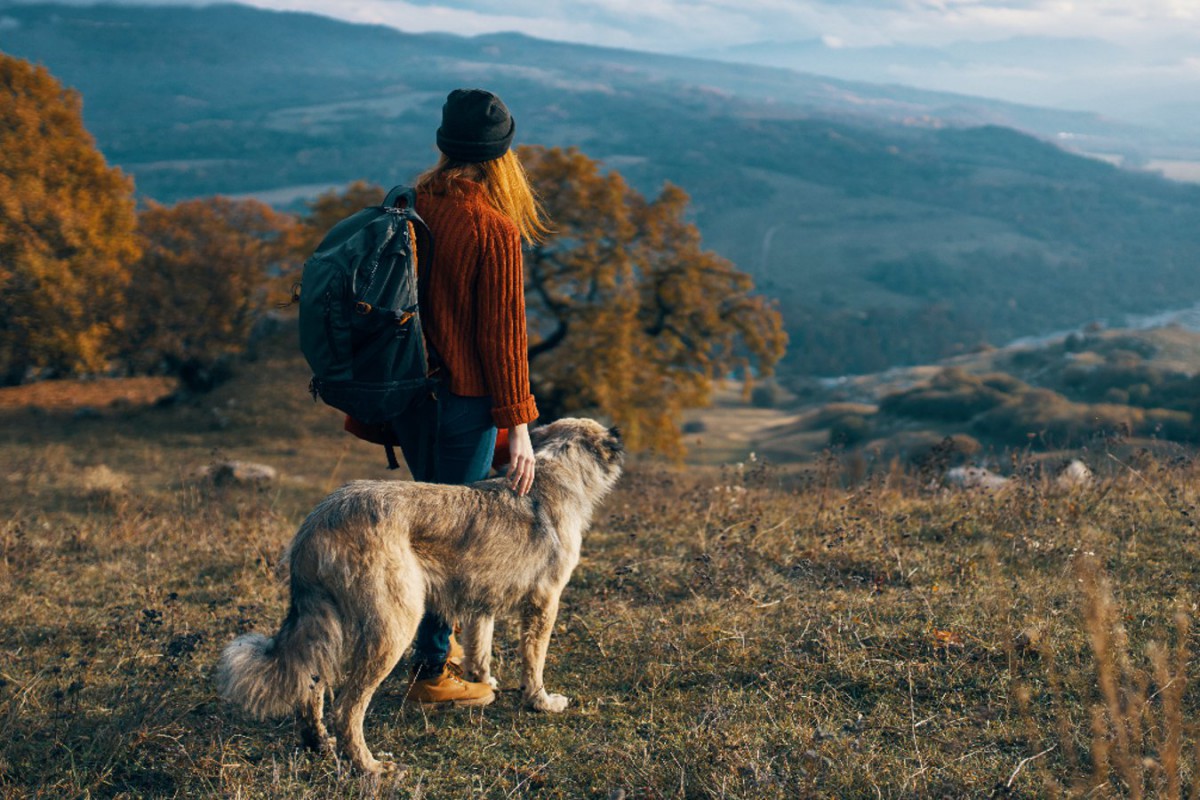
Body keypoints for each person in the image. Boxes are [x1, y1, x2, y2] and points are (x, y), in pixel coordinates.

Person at [395, 88, 549, 707]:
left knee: (425, 526)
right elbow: (504, 338)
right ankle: (432, 673)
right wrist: (521, 428)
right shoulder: (492, 226)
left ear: (442, 143)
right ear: (501, 155)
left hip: (407, 395)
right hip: (461, 400)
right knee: (452, 538)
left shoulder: (409, 203)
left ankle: (429, 643)